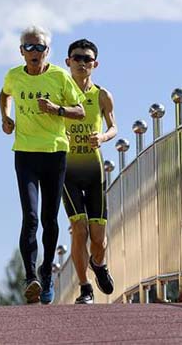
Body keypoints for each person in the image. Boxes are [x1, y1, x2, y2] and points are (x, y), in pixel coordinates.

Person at [0, 26, 85, 304]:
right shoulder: (14, 76)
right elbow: (5, 94)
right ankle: (31, 277)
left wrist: (56, 110)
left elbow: (80, 110)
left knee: (49, 219)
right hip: (24, 153)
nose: (34, 52)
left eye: (40, 48)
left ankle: (46, 273)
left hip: (54, 153)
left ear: (48, 51)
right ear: (21, 51)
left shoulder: (60, 77)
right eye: (29, 47)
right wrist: (6, 117)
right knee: (31, 216)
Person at [63, 39, 117, 304]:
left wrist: (103, 137)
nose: (82, 63)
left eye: (87, 59)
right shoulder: (59, 93)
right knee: (79, 228)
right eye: (77, 58)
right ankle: (85, 287)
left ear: (95, 64)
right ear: (68, 62)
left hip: (94, 170)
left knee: (99, 238)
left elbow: (114, 126)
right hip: (68, 170)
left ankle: (99, 264)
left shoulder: (101, 95)